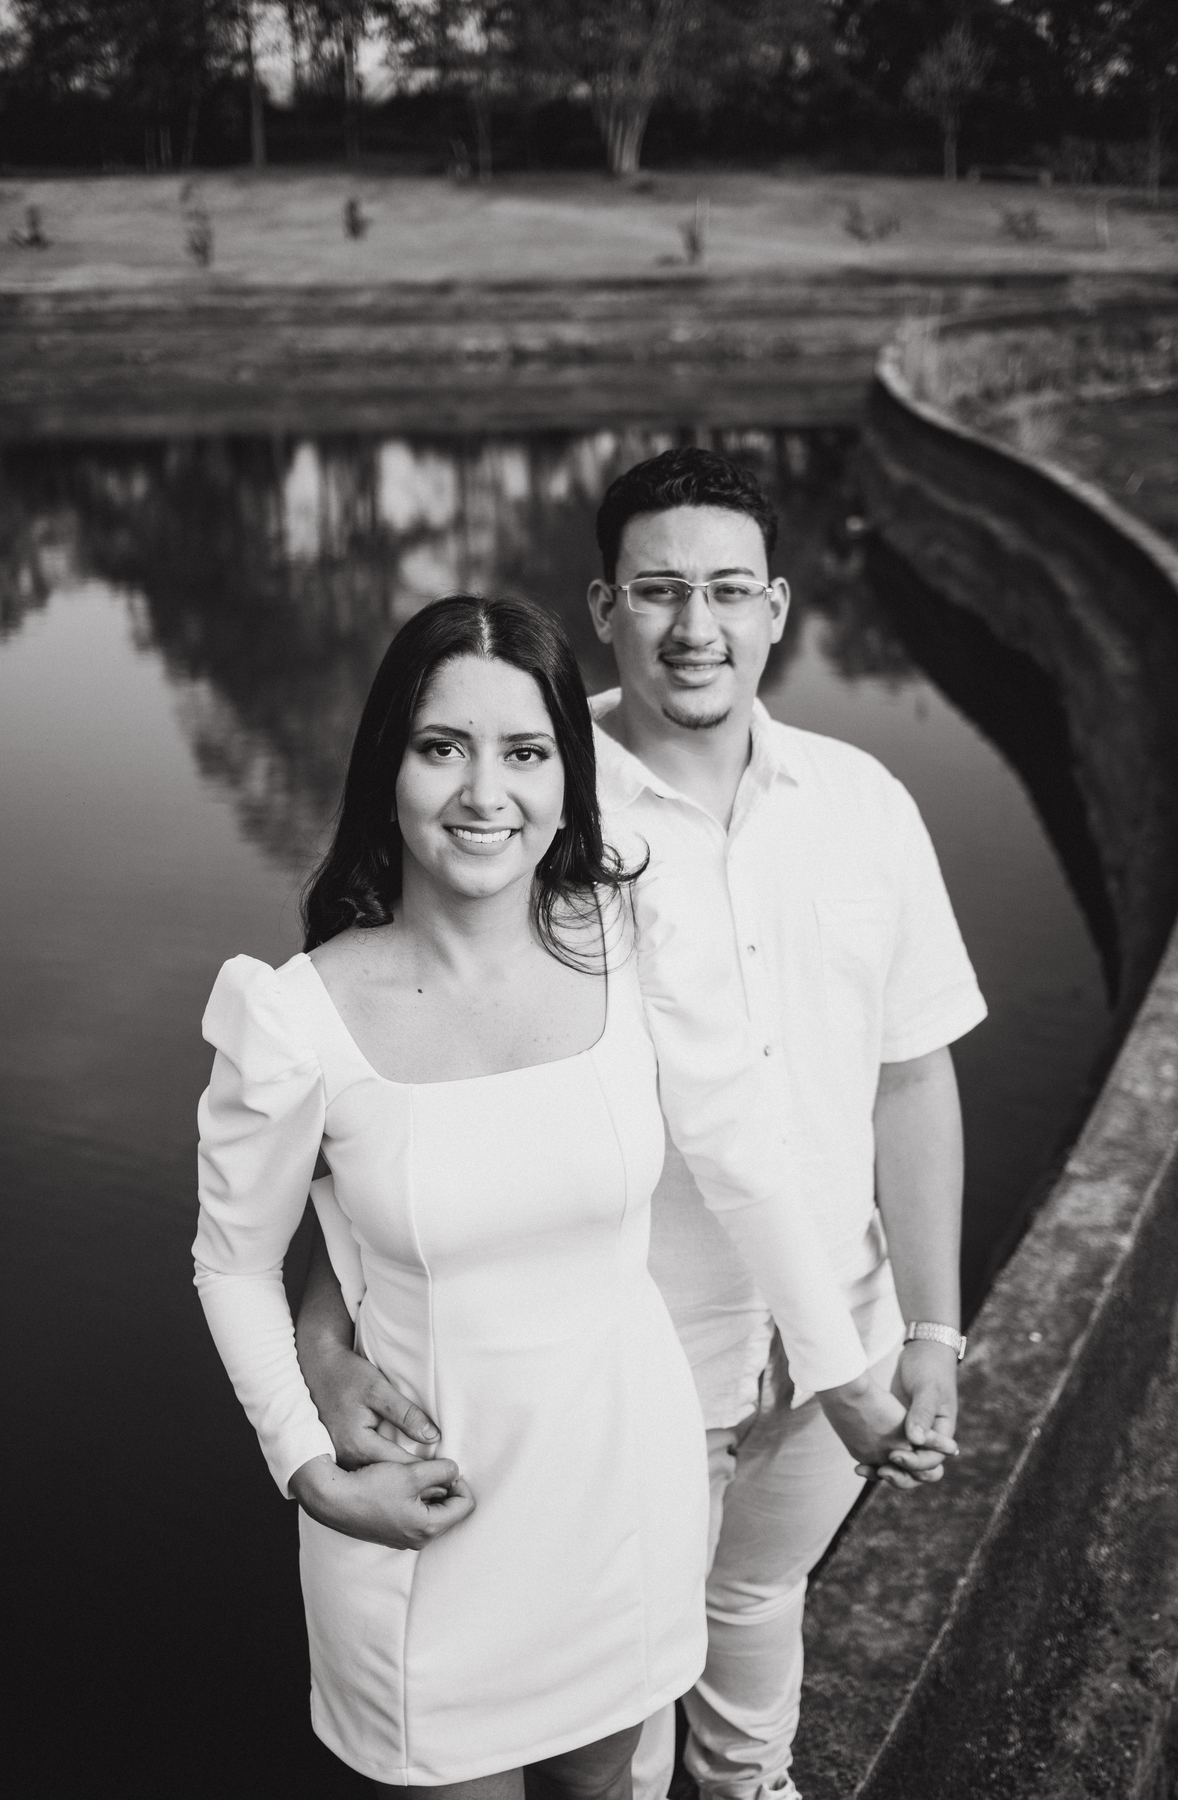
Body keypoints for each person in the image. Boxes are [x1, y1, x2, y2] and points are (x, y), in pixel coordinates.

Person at [194, 594, 947, 1797]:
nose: (485, 793)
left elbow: (747, 1162)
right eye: (443, 747)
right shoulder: (293, 1018)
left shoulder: (638, 941)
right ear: (388, 765)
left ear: (566, 777)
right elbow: (232, 1262)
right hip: (425, 1518)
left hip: (624, 1508)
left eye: (527, 752)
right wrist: (309, 1466)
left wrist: (842, 1374)